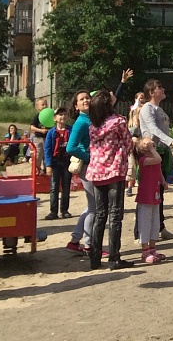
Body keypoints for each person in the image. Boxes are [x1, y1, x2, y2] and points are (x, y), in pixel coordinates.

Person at [86, 88, 134, 270]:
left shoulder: (93, 126)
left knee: (100, 215)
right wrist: (122, 144)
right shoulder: (119, 121)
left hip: (97, 173)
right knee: (115, 216)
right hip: (114, 171)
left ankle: (95, 258)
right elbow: (129, 144)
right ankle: (114, 257)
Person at [139, 79, 173, 239]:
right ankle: (140, 232)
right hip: (151, 153)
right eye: (159, 87)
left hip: (161, 152)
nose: (163, 89)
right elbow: (151, 129)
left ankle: (159, 226)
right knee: (148, 193)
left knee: (159, 192)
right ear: (151, 92)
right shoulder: (147, 108)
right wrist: (171, 141)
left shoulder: (158, 108)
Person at [65, 89, 95, 255]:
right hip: (87, 167)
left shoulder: (90, 119)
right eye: (82, 99)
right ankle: (89, 245)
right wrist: (89, 157)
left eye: (88, 97)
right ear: (76, 106)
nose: (86, 100)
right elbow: (70, 147)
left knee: (92, 206)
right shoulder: (81, 122)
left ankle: (75, 241)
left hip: (91, 167)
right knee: (94, 207)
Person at [134, 138, 167, 263]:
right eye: (147, 143)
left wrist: (163, 180)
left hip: (155, 194)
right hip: (145, 195)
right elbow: (158, 159)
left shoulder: (153, 158)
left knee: (155, 222)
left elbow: (158, 168)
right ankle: (145, 250)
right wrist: (152, 149)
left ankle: (153, 248)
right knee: (145, 223)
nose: (151, 144)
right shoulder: (143, 160)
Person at [43, 109, 72, 221]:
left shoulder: (71, 130)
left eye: (65, 114)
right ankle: (53, 211)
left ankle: (64, 210)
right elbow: (47, 149)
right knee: (54, 187)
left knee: (66, 187)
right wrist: (48, 165)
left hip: (66, 161)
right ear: (55, 118)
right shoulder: (51, 132)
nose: (62, 116)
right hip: (55, 162)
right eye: (60, 114)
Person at [29, 99, 49, 175]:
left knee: (46, 154)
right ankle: (36, 170)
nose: (44, 106)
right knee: (38, 154)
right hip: (38, 138)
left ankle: (45, 169)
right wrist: (41, 130)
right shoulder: (37, 116)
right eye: (42, 105)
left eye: (45, 104)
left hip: (47, 138)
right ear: (38, 107)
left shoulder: (50, 115)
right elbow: (32, 127)